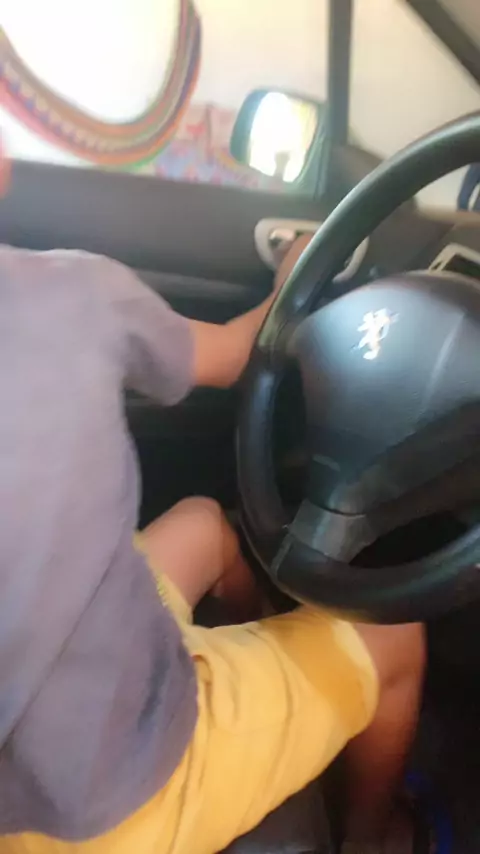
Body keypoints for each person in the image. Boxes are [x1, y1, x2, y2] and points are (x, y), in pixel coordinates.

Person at [0, 139, 425, 854]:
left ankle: (258, 661)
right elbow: (234, 354)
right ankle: (373, 837)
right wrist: (296, 277)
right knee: (397, 638)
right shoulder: (76, 293)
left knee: (203, 524)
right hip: (115, 803)